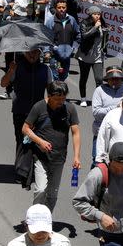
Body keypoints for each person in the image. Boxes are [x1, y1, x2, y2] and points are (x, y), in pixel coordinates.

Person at [22, 81, 81, 212]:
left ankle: (46, 221)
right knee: (41, 189)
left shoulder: (70, 109)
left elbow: (75, 132)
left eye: (63, 99)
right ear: (49, 96)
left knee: (53, 194)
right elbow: (25, 129)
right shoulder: (39, 107)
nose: (61, 102)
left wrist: (76, 157)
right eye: (57, 99)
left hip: (59, 158)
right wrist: (40, 141)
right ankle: (34, 219)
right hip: (41, 156)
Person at [91, 66, 123, 163]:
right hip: (101, 133)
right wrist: (114, 109)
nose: (115, 81)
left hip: (120, 134)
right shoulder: (99, 91)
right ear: (107, 79)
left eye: (118, 79)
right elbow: (96, 112)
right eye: (113, 79)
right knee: (98, 162)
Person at [77, 6, 107, 107]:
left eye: (99, 14)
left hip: (97, 57)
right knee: (84, 78)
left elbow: (104, 39)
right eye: (95, 14)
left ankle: (98, 100)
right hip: (85, 55)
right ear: (90, 14)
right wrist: (95, 28)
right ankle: (83, 98)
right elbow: (84, 36)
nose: (97, 16)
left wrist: (106, 31)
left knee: (99, 79)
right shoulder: (84, 23)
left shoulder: (102, 23)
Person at [44, 0, 80, 82]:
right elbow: (46, 38)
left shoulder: (71, 20)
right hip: (55, 55)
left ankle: (60, 93)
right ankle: (55, 94)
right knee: (55, 77)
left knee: (64, 76)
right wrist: (47, 52)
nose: (61, 9)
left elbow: (78, 34)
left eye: (63, 7)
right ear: (55, 8)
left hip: (67, 55)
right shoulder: (50, 21)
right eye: (59, 7)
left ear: (66, 8)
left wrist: (73, 48)